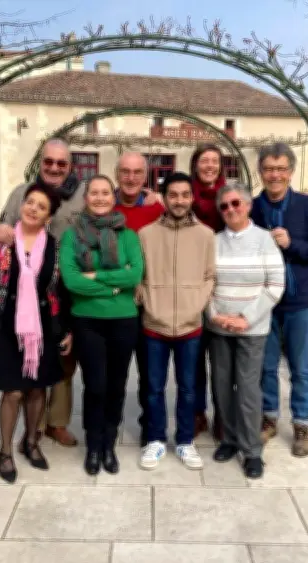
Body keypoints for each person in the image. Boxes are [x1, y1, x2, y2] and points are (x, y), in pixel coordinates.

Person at [0, 184, 73, 484]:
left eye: (41, 207)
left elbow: (62, 293)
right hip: (5, 328)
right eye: (30, 202)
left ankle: (31, 442)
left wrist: (65, 330)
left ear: (48, 217)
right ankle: (5, 452)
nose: (33, 209)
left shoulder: (55, 248)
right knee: (13, 391)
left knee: (38, 389)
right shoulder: (0, 242)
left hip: (43, 330)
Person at [0, 138, 84, 448]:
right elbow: (0, 230)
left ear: (70, 166)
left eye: (61, 163)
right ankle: (34, 427)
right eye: (49, 162)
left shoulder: (83, 196)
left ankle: (57, 422)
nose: (54, 168)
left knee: (63, 362)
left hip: (66, 289)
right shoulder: (22, 194)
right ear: (40, 163)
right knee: (29, 359)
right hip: (26, 294)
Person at [59, 175, 144, 475]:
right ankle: (93, 446)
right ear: (86, 199)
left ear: (113, 197)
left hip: (123, 321)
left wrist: (95, 278)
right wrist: (111, 286)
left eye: (105, 193)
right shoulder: (72, 235)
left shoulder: (128, 235)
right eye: (93, 193)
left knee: (117, 386)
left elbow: (135, 276)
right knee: (95, 386)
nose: (99, 198)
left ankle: (109, 444)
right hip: (88, 321)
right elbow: (70, 280)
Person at [250, 143, 308, 457]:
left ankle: (301, 424)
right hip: (264, 301)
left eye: (281, 169)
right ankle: (269, 418)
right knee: (266, 366)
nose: (275, 175)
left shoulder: (307, 207)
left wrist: (291, 243)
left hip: (299, 302)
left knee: (300, 367)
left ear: (291, 172)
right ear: (261, 172)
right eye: (269, 169)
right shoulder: (253, 208)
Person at [136, 172, 215, 471]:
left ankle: (184, 441)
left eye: (185, 194)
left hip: (190, 325)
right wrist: (147, 300)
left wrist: (196, 304)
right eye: (173, 195)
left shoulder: (206, 235)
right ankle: (155, 439)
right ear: (164, 197)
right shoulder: (146, 234)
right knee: (153, 387)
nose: (179, 200)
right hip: (154, 325)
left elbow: (210, 276)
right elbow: (139, 277)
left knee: (188, 388)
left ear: (192, 198)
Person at [208, 183, 285, 479]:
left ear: (248, 205)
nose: (231, 210)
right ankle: (229, 439)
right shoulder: (213, 242)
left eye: (236, 203)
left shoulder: (265, 240)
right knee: (222, 386)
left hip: (252, 329)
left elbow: (275, 285)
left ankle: (252, 450)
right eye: (225, 206)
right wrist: (215, 316)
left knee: (249, 390)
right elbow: (206, 284)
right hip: (219, 327)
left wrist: (246, 318)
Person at [113, 152, 166, 447]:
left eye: (136, 172)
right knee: (115, 376)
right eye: (125, 172)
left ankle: (149, 428)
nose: (131, 178)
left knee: (150, 375)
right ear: (117, 174)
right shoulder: (104, 207)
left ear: (145, 177)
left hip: (148, 305)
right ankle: (111, 426)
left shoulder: (157, 208)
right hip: (116, 306)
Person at [188, 143, 227, 442]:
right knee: (195, 356)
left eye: (215, 161)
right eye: (205, 161)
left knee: (222, 357)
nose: (210, 166)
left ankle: (223, 415)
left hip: (225, 284)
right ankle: (198, 412)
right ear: (195, 165)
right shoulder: (185, 195)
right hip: (192, 280)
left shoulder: (231, 197)